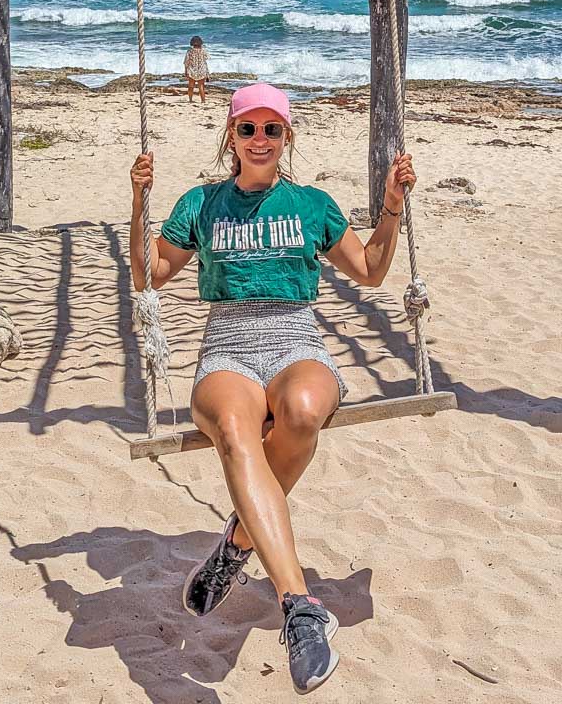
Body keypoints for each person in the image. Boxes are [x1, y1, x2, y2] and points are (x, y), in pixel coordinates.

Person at [129, 82, 416, 694]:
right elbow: (150, 275)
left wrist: (391, 202)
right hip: (228, 342)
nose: (260, 139)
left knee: (304, 413)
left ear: (288, 137)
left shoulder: (311, 205)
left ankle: (236, 544)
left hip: (295, 340)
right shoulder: (201, 203)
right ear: (230, 136)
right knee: (236, 430)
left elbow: (370, 270)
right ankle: (301, 608)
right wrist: (138, 202)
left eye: (273, 129)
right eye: (248, 128)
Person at [184, 35, 209, 104]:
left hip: (192, 70)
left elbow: (186, 62)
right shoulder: (203, 50)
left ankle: (190, 100)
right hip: (202, 70)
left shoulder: (190, 51)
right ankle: (203, 101)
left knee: (191, 86)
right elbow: (206, 58)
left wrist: (186, 71)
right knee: (201, 87)